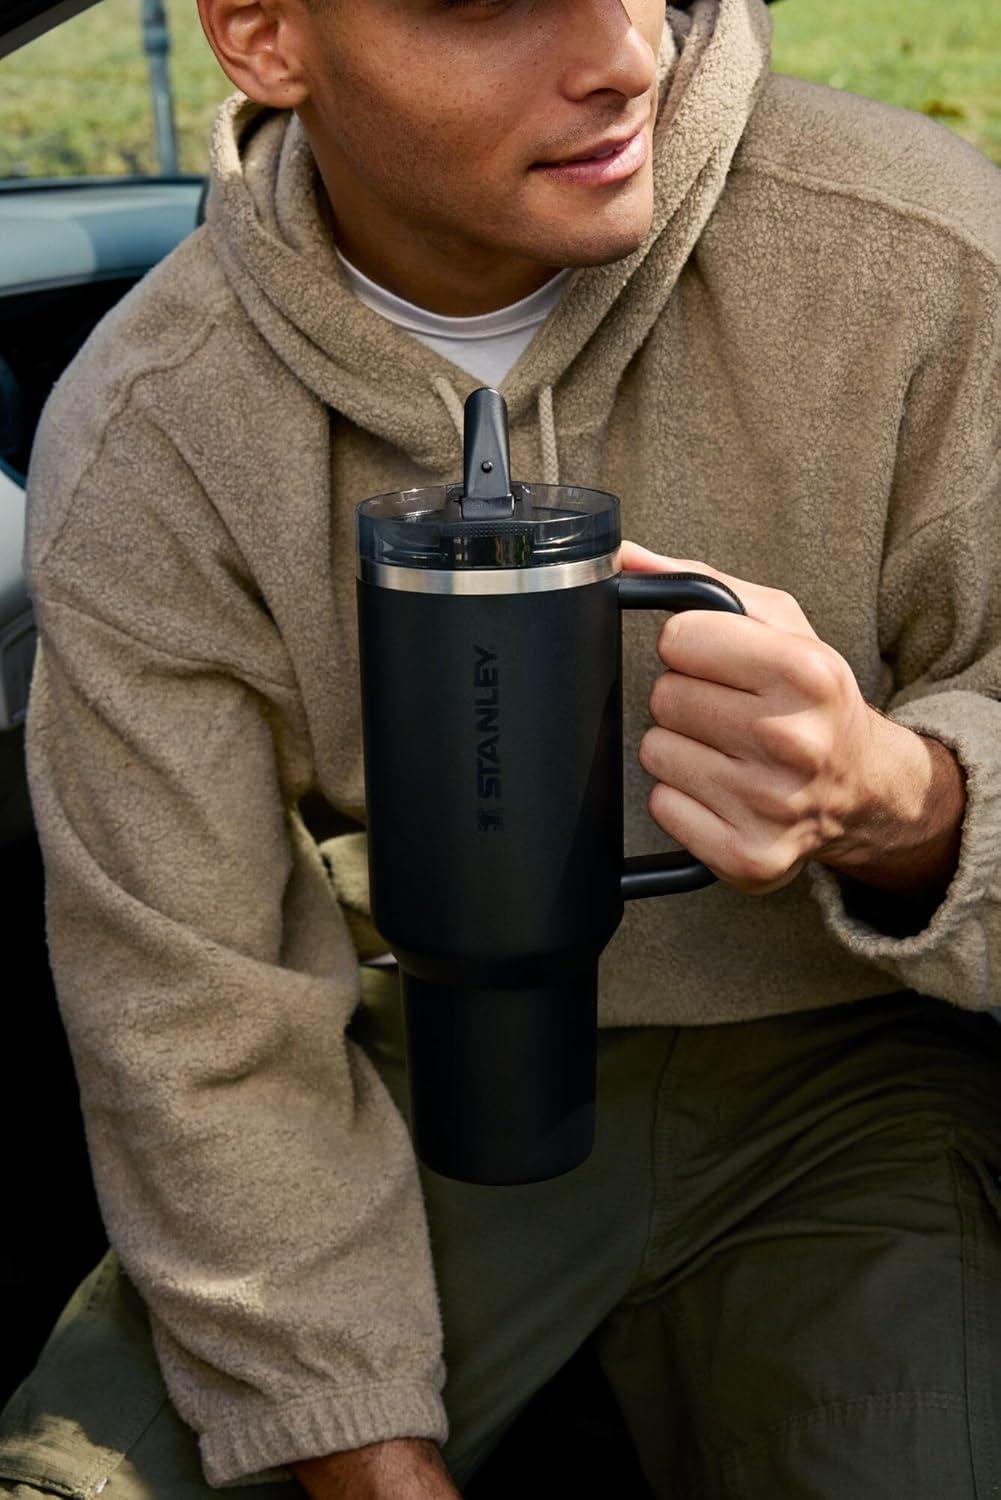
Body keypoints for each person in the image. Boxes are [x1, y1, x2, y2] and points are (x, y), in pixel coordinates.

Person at [1, 0, 1000, 1495]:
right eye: (487, 3)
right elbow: (190, 1012)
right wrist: (349, 1440)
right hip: (394, 1072)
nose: (625, 56)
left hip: (859, 1078)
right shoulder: (157, 428)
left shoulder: (929, 259)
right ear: (264, 36)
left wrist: (903, 803)